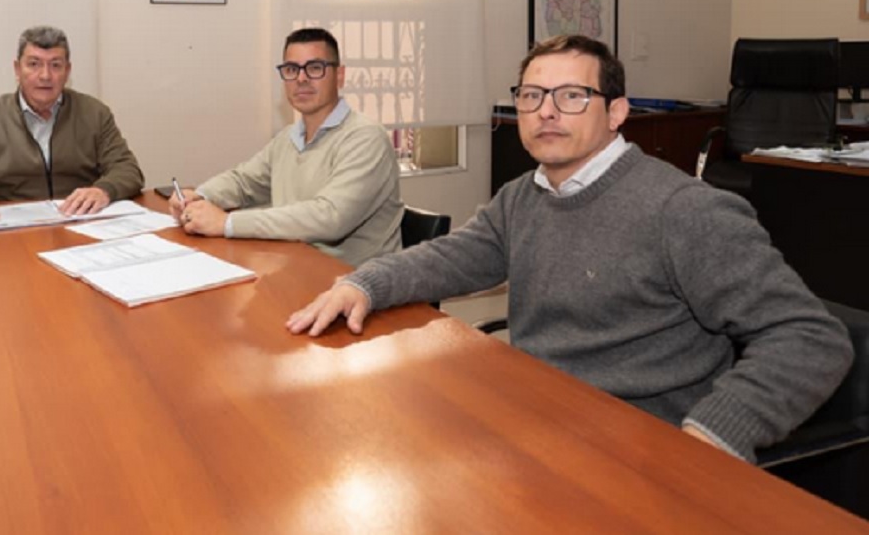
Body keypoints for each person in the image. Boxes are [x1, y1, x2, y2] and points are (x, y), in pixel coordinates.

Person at [287, 34, 853, 462]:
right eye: (532, 96)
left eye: (573, 96)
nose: (547, 111)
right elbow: (453, 256)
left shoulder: (684, 211)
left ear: (617, 113)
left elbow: (810, 338)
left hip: (639, 448)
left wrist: (714, 432)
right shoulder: (525, 195)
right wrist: (364, 283)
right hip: (538, 420)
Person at [171, 27, 403, 267]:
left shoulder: (366, 138)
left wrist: (227, 223)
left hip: (357, 281)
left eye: (315, 68)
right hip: (295, 267)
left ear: (340, 75)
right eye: (292, 69)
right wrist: (201, 197)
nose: (301, 79)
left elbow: (330, 217)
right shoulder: (288, 138)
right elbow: (243, 182)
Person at [0, 25, 143, 222]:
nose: (45, 75)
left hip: (80, 223)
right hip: (11, 232)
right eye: (34, 64)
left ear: (67, 71)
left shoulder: (94, 113)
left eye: (55, 65)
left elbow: (127, 169)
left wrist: (103, 190)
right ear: (17, 69)